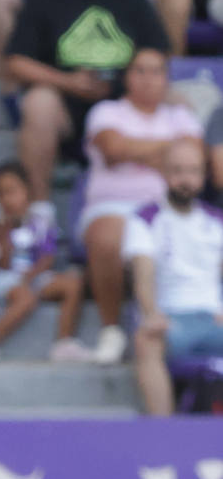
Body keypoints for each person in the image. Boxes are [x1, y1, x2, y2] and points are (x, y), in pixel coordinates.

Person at [7, 0, 171, 206]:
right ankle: (39, 210)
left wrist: (131, 82)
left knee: (181, 101)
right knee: (38, 102)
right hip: (66, 105)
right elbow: (16, 60)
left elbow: (160, 52)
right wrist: (67, 82)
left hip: (126, 104)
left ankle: (178, 203)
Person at [79, 47, 204, 364]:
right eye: (140, 70)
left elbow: (191, 159)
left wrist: (134, 149)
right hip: (113, 206)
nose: (149, 79)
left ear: (167, 79)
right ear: (127, 76)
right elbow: (112, 150)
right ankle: (111, 330)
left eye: (156, 71)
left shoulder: (181, 115)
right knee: (107, 236)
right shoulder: (106, 110)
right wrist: (167, 151)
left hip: (170, 209)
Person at [126, 138, 223, 414]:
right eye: (178, 171)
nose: (185, 179)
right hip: (172, 321)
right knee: (147, 339)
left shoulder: (217, 220)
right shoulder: (146, 217)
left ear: (203, 176)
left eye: (193, 171)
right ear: (165, 173)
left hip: (215, 318)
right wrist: (151, 312)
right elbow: (143, 275)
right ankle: (165, 433)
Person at [0, 160, 88, 363]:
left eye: (12, 191)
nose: (7, 199)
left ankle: (63, 342)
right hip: (3, 279)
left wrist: (30, 276)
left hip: (34, 277)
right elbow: (0, 265)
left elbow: (47, 256)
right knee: (25, 297)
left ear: (27, 191)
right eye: (0, 193)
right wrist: (3, 240)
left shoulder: (41, 223)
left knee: (72, 284)